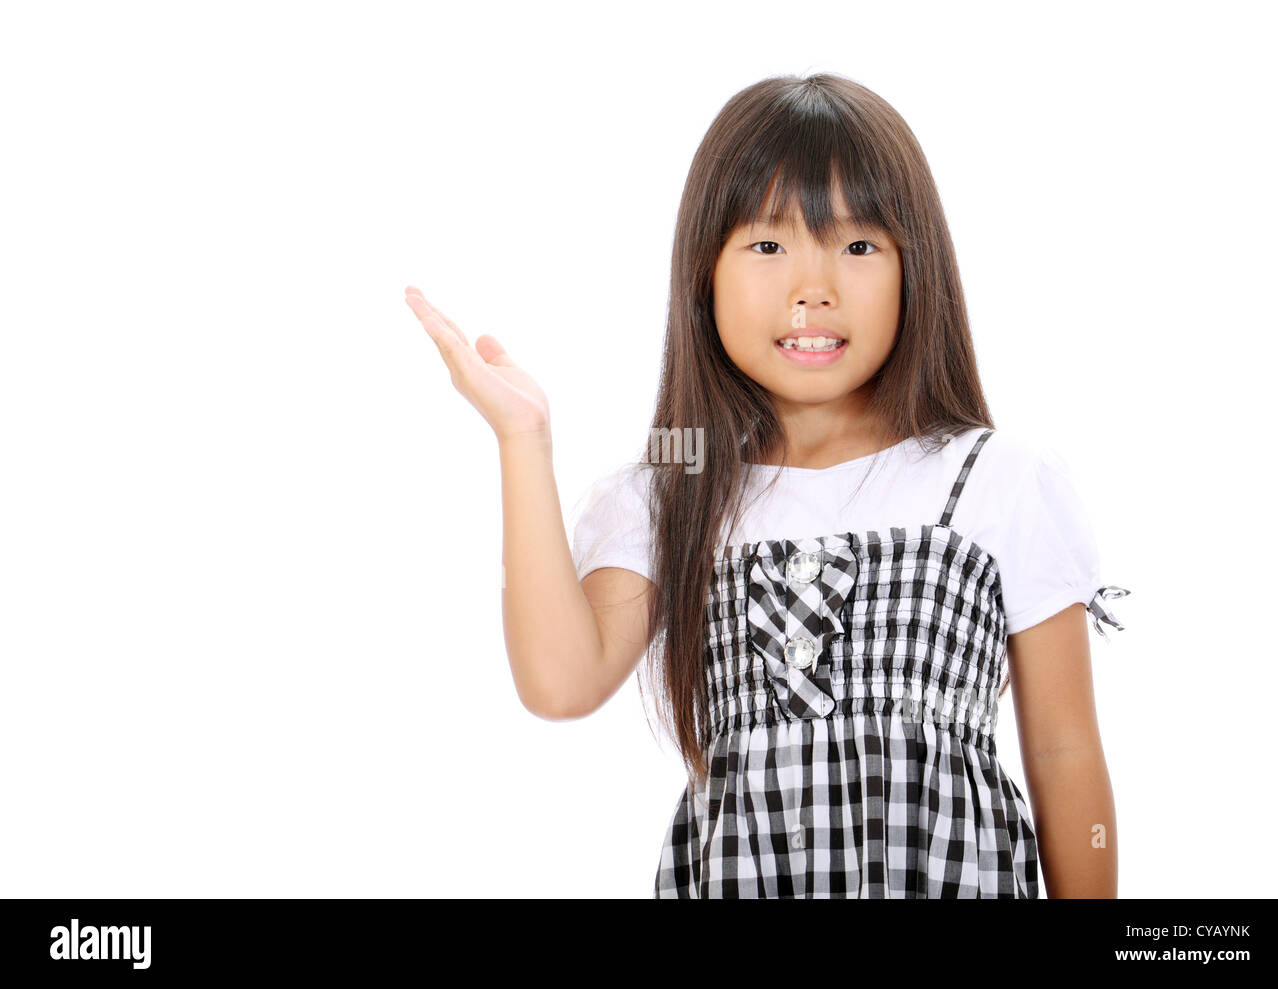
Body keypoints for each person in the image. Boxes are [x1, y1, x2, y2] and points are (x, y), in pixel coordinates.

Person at [404, 72, 1131, 898]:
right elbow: (560, 681)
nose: (812, 287)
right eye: (767, 244)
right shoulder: (674, 486)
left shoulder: (999, 479)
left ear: (914, 270)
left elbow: (1065, 750)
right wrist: (523, 441)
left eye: (858, 246)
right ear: (704, 274)